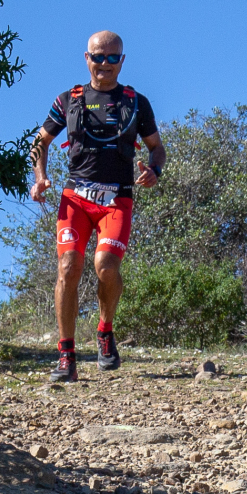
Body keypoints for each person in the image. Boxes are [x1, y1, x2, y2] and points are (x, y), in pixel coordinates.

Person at [29, 31, 166, 382]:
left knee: (105, 266)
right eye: (98, 56)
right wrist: (40, 177)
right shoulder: (68, 100)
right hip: (75, 198)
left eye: (112, 58)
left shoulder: (136, 103)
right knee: (68, 267)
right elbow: (39, 142)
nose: (104, 64)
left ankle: (105, 331)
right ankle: (66, 356)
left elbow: (156, 147)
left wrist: (154, 170)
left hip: (117, 198)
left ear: (122, 61)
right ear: (86, 58)